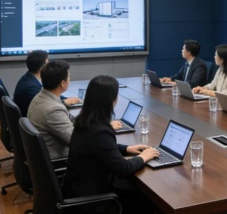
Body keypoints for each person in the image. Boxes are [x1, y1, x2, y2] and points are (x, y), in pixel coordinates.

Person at [64, 75, 159, 213]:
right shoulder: (100, 131)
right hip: (92, 202)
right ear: (111, 100)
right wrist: (144, 157)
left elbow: (100, 148)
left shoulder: (85, 121)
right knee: (149, 203)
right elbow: (123, 168)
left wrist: (127, 148)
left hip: (78, 190)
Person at [14, 50, 80, 116]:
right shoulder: (31, 88)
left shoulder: (29, 78)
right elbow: (46, 106)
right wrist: (65, 102)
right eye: (47, 62)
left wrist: (67, 99)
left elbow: (51, 96)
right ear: (43, 68)